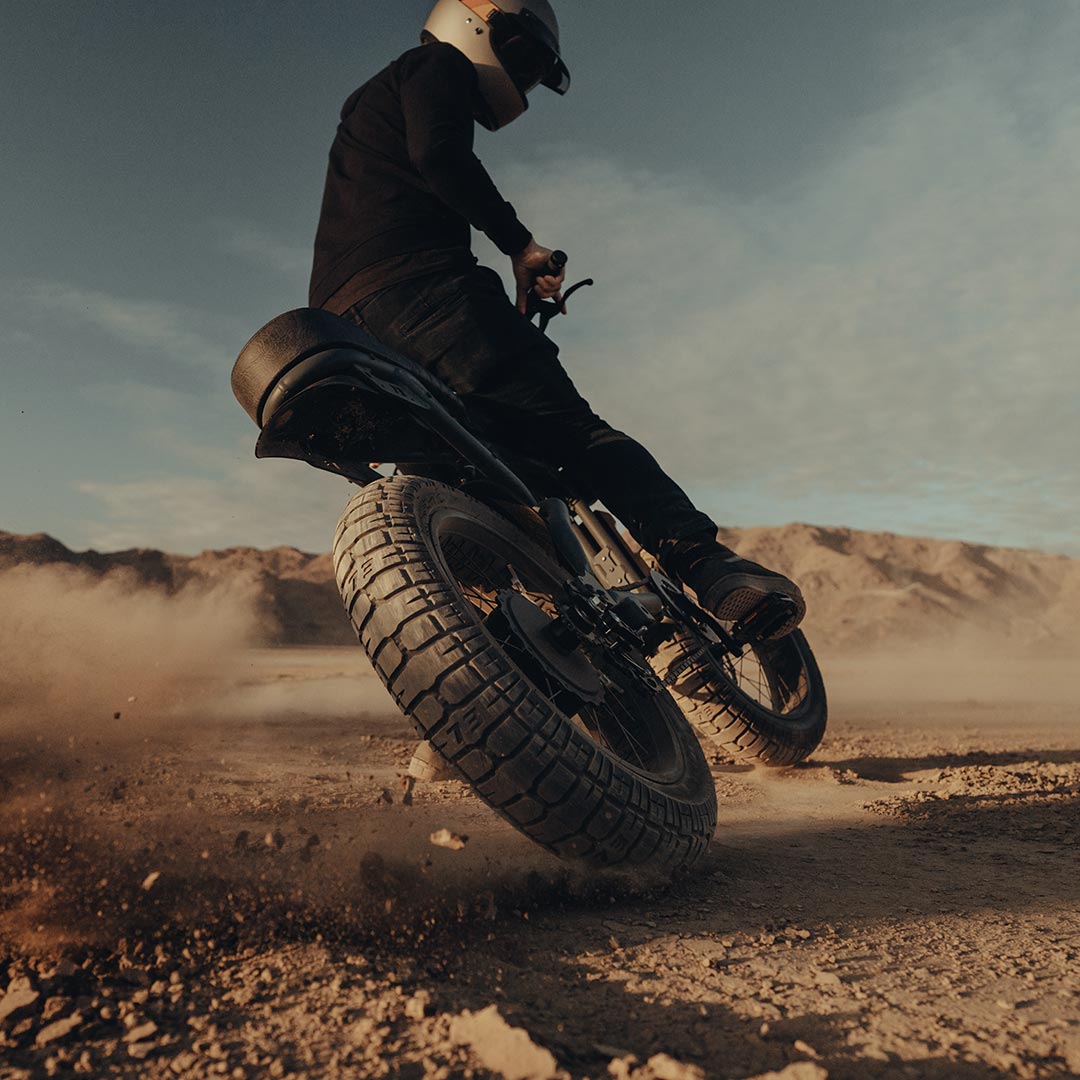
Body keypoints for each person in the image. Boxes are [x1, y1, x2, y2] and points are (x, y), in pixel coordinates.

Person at [309, 0, 805, 637]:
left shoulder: (365, 118)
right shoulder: (436, 64)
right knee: (579, 435)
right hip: (427, 296)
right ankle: (708, 566)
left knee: (483, 492)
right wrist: (520, 245)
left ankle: (499, 685)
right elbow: (438, 154)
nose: (524, 80)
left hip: (348, 329)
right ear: (479, 24)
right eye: (525, 58)